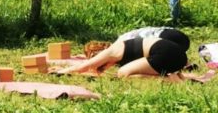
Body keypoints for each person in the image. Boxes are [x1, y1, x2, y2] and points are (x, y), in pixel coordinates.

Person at [57, 36, 188, 78]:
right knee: (126, 73)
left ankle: (170, 80)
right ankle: (172, 78)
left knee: (123, 73)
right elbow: (94, 70)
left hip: (166, 53)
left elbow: (87, 66)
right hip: (177, 55)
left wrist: (62, 72)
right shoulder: (116, 54)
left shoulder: (112, 50)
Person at [117, 27, 190, 52]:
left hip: (162, 37)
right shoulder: (123, 37)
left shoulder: (121, 44)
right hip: (178, 34)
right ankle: (187, 64)